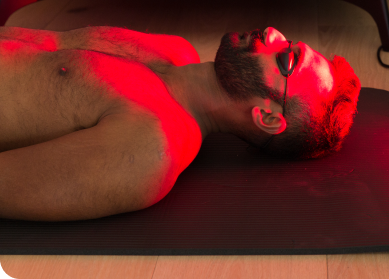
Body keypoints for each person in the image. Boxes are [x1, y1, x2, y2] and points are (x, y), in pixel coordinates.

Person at [0, 26, 360, 221]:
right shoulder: (176, 50)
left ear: (267, 116)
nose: (272, 32)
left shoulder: (150, 147)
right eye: (290, 41)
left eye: (285, 58)